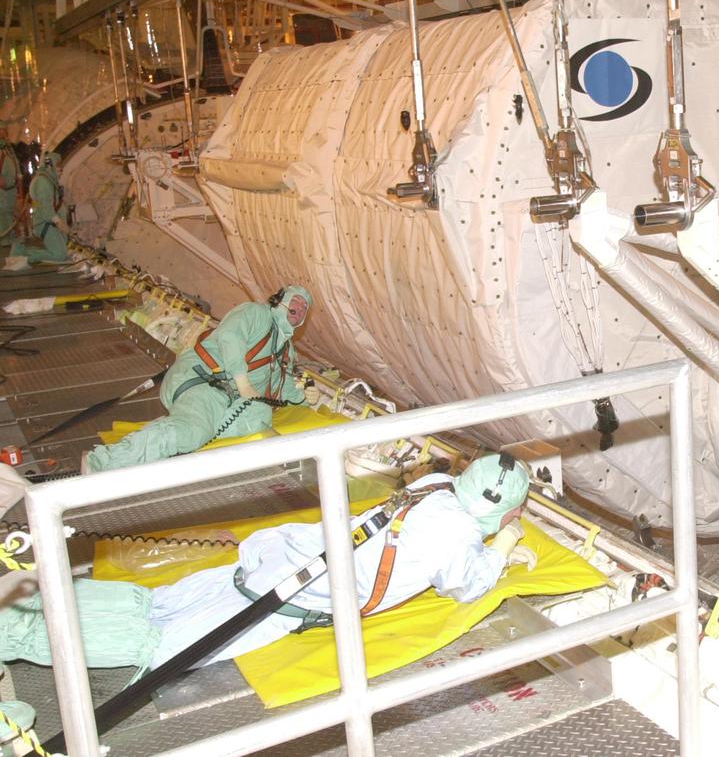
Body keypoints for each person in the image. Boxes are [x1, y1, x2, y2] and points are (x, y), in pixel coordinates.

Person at [0, 454, 538, 675]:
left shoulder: (433, 487)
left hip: (275, 558)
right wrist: (505, 545)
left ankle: (23, 602)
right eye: (516, 508)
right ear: (503, 508)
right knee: (156, 645)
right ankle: (12, 632)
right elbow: (467, 585)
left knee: (153, 604)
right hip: (282, 600)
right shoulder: (460, 534)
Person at [82, 286, 320, 473]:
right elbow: (230, 336)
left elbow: (282, 385)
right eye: (295, 299)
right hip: (203, 380)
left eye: (304, 306)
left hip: (226, 395)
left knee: (259, 415)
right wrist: (242, 381)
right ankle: (103, 461)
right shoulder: (255, 313)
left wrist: (304, 396)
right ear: (279, 300)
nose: (299, 306)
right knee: (194, 431)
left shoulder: (285, 349)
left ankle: (196, 430)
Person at [6, 153, 68, 267]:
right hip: (45, 224)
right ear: (50, 166)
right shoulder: (42, 182)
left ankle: (24, 249)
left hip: (49, 223)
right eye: (59, 167)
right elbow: (46, 209)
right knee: (59, 255)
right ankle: (24, 254)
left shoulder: (48, 180)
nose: (61, 170)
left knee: (65, 252)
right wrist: (59, 222)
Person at [0, 132, 18, 247]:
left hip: (6, 197)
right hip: (3, 198)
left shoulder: (7, 162)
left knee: (6, 220)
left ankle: (8, 243)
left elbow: (8, 182)